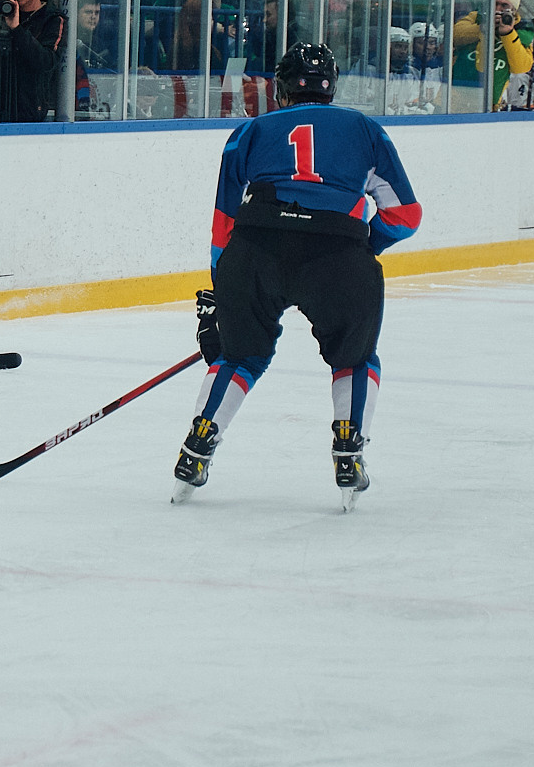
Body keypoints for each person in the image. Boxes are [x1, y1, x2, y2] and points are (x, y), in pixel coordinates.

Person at [175, 43, 421, 507]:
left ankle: (198, 444)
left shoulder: (248, 132)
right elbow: (406, 214)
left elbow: (223, 222)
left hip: (256, 249)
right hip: (337, 253)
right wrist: (363, 244)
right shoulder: (366, 130)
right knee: (354, 356)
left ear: (281, 88)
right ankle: (348, 450)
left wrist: (220, 284)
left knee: (238, 357)